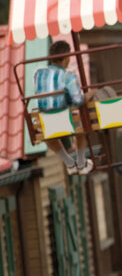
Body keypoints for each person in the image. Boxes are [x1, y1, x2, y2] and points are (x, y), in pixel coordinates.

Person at [34, 41, 95, 175]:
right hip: (65, 120)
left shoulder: (38, 74)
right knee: (82, 125)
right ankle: (80, 162)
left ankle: (69, 162)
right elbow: (78, 101)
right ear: (67, 57)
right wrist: (90, 94)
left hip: (46, 123)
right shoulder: (69, 76)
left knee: (48, 134)